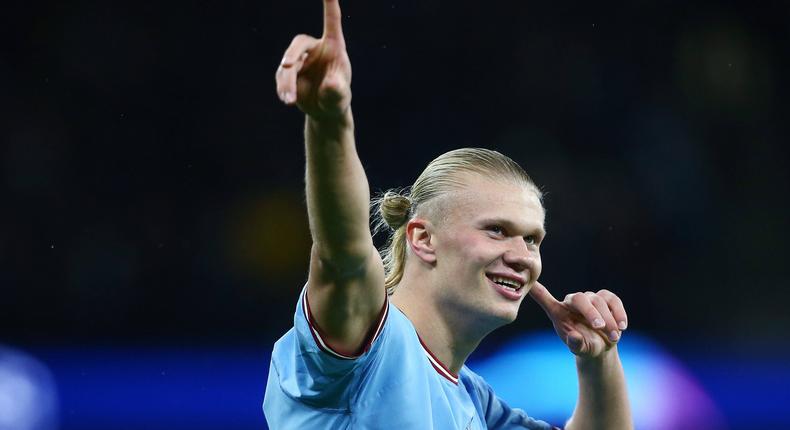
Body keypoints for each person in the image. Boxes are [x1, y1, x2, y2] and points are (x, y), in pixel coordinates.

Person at [264, 1, 633, 428]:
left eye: (533, 240)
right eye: (497, 231)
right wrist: (330, 122)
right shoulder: (368, 344)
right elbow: (342, 249)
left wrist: (598, 359)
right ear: (422, 238)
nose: (523, 256)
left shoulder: (475, 402)